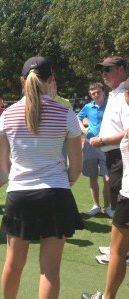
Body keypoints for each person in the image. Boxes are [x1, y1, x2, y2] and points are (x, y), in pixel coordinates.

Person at [0, 56, 84, 299]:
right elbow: (76, 168)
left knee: (13, 265)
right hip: (56, 194)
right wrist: (62, 183)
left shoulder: (7, 115)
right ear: (51, 80)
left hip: (19, 195)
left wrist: (17, 176)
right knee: (50, 270)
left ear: (23, 81)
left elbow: (1, 164)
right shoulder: (66, 113)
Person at [81, 77, 129, 299]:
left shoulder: (122, 95)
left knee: (120, 249)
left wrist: (103, 140)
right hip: (117, 165)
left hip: (125, 180)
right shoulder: (116, 95)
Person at [90, 57, 127, 212]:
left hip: (121, 157)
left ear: (121, 70)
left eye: (108, 69)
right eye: (102, 70)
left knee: (122, 208)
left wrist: (102, 141)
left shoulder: (125, 94)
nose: (104, 73)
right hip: (114, 158)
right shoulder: (116, 93)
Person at [78, 83, 112, 217]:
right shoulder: (87, 107)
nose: (96, 95)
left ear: (103, 92)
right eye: (93, 93)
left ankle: (108, 207)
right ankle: (96, 206)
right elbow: (78, 118)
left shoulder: (111, 105)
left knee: (108, 178)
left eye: (98, 92)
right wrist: (84, 130)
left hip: (107, 144)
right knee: (92, 177)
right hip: (90, 145)